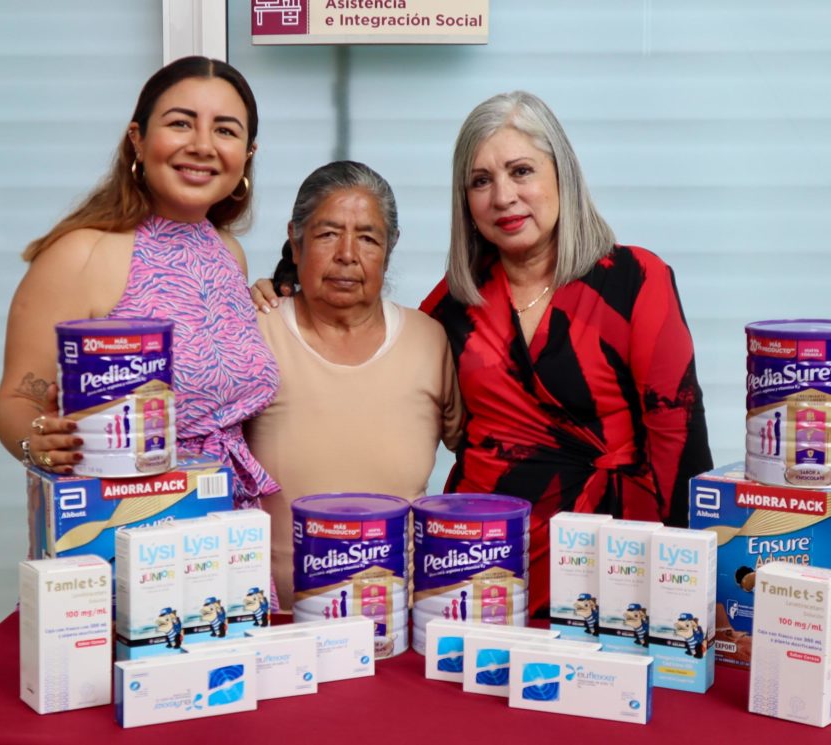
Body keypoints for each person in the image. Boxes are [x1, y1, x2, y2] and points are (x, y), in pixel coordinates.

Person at [419, 91, 713, 615]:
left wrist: (692, 579)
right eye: (481, 181)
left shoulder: (635, 280)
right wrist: (285, 292)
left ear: (563, 174)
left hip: (618, 561)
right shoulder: (452, 302)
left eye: (521, 171)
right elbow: (377, 357)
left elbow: (679, 436)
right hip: (480, 562)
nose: (503, 197)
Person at [0, 56, 280, 511]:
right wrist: (39, 442)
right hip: (124, 523)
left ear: (247, 154)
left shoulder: (229, 253)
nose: (202, 145)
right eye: (181, 123)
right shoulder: (81, 253)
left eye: (225, 130)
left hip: (228, 524)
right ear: (138, 140)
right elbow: (16, 398)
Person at [245, 161, 462, 608]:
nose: (347, 254)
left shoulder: (429, 339)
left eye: (367, 238)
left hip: (399, 618)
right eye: (328, 234)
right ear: (296, 240)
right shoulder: (254, 332)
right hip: (274, 621)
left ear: (390, 247)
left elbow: (486, 452)